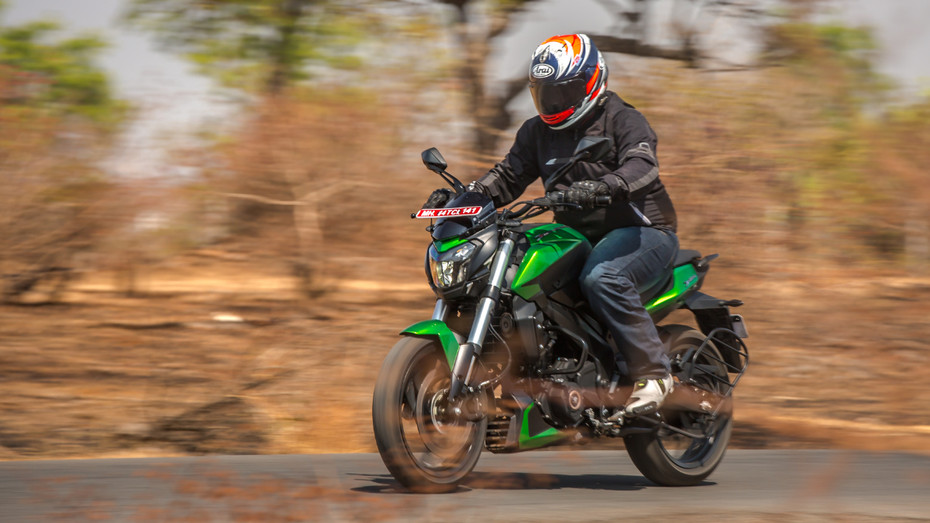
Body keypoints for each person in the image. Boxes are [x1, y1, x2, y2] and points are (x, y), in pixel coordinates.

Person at [427, 34, 678, 416]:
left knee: (603, 277)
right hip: (578, 236)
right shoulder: (536, 131)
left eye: (564, 92)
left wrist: (608, 185)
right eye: (545, 93)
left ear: (592, 80)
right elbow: (508, 177)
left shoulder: (623, 119)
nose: (554, 102)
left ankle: (655, 373)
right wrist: (464, 200)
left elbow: (643, 166)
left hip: (641, 233)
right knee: (516, 277)